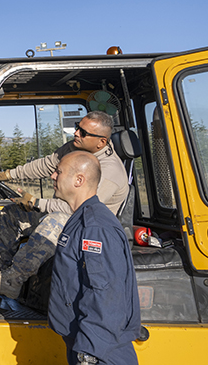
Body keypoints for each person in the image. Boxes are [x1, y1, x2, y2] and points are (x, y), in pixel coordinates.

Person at [0, 111, 129, 297]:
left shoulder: (109, 171)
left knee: (56, 221)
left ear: (101, 142)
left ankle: (11, 281)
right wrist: (10, 174)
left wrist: (36, 202)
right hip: (68, 217)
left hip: (91, 232)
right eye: (77, 127)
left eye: (83, 132)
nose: (76, 134)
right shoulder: (76, 149)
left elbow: (78, 209)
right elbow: (48, 164)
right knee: (13, 213)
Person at [49, 150, 141, 364]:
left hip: (101, 351)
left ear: (78, 180)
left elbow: (104, 293)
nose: (53, 176)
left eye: (58, 172)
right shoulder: (80, 219)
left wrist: (90, 351)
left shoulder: (95, 227)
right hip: (81, 340)